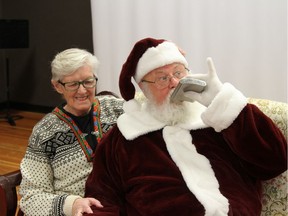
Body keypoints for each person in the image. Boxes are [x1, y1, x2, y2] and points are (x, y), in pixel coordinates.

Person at [84, 38, 287, 215]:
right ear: (144, 89)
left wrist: (223, 101)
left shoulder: (219, 118)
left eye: (178, 73)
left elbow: (275, 161)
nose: (174, 83)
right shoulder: (123, 138)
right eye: (163, 78)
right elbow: (102, 200)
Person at [19, 48, 124, 216]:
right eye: (73, 84)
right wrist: (72, 204)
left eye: (88, 81)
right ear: (57, 86)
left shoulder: (117, 110)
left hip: (123, 202)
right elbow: (31, 197)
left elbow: (158, 111)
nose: (82, 91)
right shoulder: (44, 132)